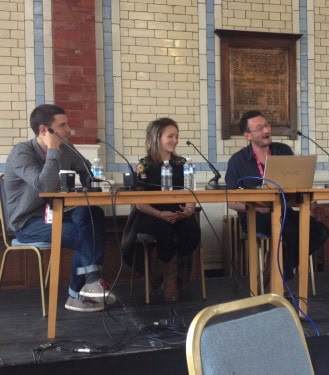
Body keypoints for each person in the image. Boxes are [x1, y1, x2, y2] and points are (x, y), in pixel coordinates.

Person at [4, 104, 114, 312]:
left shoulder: (67, 149)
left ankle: (86, 286)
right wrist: (53, 149)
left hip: (56, 215)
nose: (69, 130)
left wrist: (88, 178)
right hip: (27, 223)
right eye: (62, 125)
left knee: (93, 214)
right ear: (45, 130)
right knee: (81, 232)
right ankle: (82, 289)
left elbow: (87, 173)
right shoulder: (21, 152)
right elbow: (44, 185)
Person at [225, 110, 329, 282]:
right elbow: (230, 200)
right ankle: (282, 280)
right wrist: (254, 206)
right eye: (259, 128)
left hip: (284, 211)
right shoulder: (238, 160)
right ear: (248, 135)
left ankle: (275, 269)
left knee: (320, 231)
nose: (266, 131)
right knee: (288, 231)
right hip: (256, 215)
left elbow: (299, 184)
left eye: (266, 125)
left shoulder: (283, 150)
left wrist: (308, 205)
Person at [121, 117, 201, 302]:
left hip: (178, 213)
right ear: (157, 137)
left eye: (177, 136)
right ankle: (168, 279)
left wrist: (189, 209)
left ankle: (165, 274)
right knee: (164, 230)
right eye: (170, 136)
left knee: (190, 230)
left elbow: (190, 193)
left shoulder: (182, 164)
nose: (175, 140)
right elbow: (139, 202)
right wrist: (160, 214)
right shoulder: (144, 165)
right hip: (150, 214)